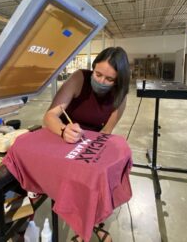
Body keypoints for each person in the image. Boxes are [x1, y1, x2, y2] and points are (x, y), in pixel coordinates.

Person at [43, 46, 130, 242]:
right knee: (76, 182)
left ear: (119, 80)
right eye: (98, 74)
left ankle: (93, 221)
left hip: (92, 142)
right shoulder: (79, 79)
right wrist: (64, 130)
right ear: (93, 68)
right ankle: (81, 225)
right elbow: (50, 116)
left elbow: (106, 132)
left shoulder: (120, 95)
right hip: (66, 136)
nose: (101, 81)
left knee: (99, 179)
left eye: (109, 79)